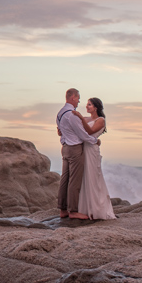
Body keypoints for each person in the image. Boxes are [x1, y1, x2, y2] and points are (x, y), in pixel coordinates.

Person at [56, 88, 100, 220]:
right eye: (78, 98)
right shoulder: (72, 114)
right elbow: (82, 134)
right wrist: (95, 141)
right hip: (75, 149)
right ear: (73, 97)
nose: (79, 101)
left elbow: (60, 131)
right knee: (74, 181)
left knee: (64, 179)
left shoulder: (60, 113)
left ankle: (62, 209)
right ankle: (73, 211)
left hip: (65, 148)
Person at [72, 97, 116, 220]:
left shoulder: (101, 120)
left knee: (92, 177)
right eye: (87, 104)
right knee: (83, 177)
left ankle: (96, 209)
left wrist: (80, 118)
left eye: (89, 105)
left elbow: (90, 131)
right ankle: (84, 209)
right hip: (82, 149)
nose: (87, 106)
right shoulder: (86, 119)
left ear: (96, 107)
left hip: (91, 150)